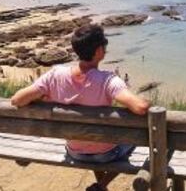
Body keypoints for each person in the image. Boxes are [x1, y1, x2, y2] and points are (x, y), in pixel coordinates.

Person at [11, 24, 150, 191]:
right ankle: (101, 185)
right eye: (105, 46)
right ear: (99, 51)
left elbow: (17, 100)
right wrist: (149, 103)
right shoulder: (107, 80)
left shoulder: (55, 75)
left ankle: (101, 186)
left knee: (90, 136)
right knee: (132, 140)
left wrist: (45, 95)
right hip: (106, 155)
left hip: (74, 151)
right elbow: (141, 108)